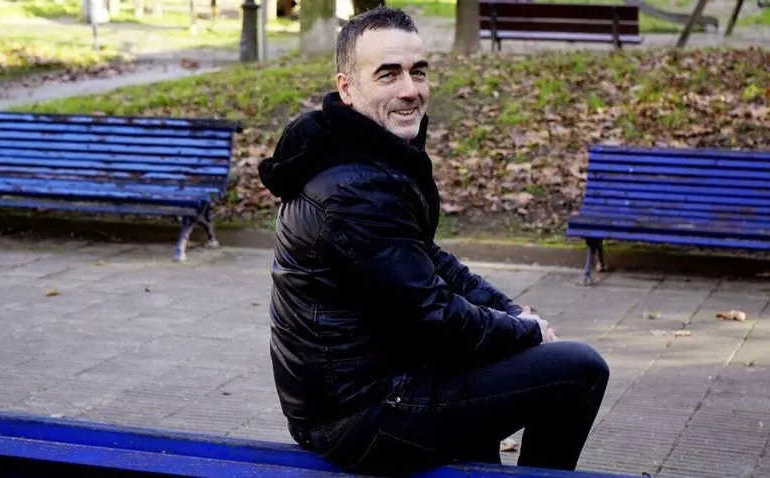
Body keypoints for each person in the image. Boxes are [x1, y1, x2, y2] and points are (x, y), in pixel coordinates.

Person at [257, 6, 609, 476]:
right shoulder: (354, 188)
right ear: (347, 88)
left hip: (366, 389)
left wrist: (510, 312)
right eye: (388, 74)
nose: (410, 90)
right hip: (357, 415)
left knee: (496, 364)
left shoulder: (357, 154)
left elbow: (425, 258)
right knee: (580, 369)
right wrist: (526, 331)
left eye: (418, 71)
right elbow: (433, 316)